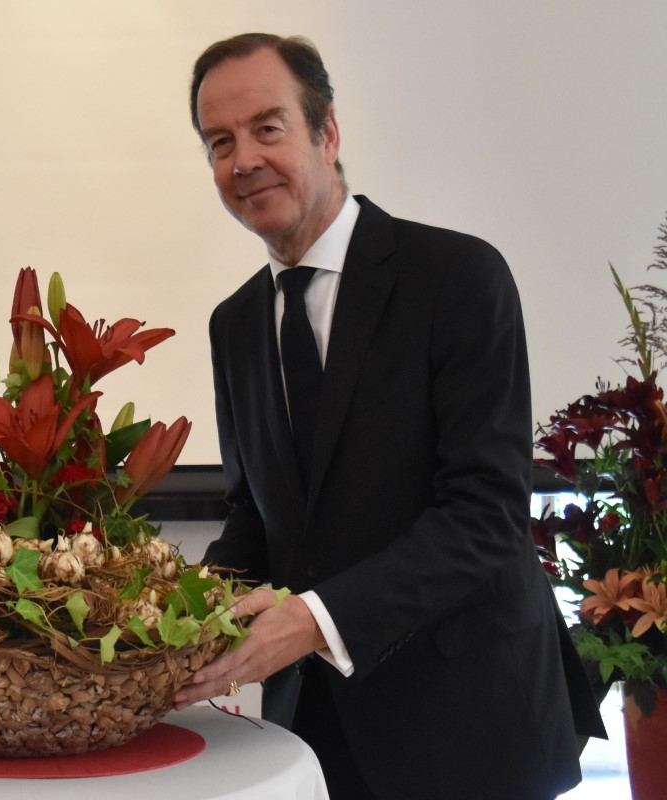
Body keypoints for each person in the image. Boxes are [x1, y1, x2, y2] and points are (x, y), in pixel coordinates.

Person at [172, 34, 605, 798]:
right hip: (316, 733)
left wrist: (314, 620)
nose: (243, 160)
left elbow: (484, 513)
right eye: (220, 142)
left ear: (327, 133)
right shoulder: (232, 324)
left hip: (472, 724)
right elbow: (256, 517)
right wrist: (179, 618)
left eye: (267, 128)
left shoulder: (459, 276)